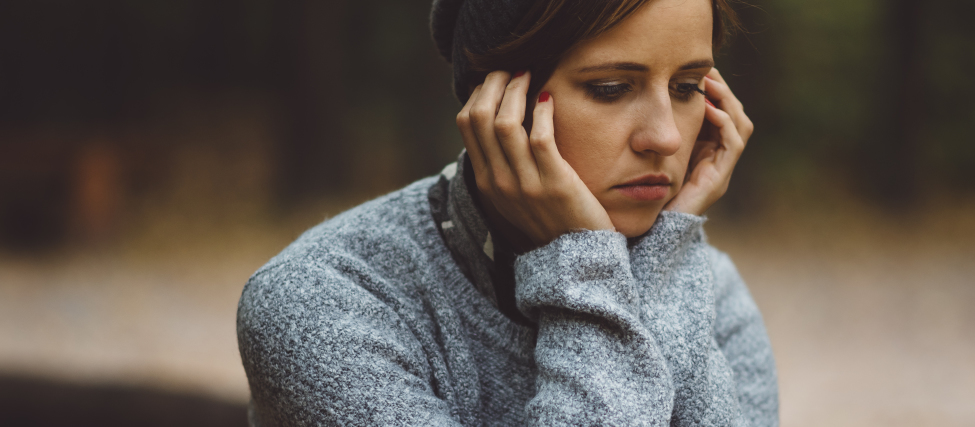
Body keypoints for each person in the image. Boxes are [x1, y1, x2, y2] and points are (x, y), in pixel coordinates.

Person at [236, 0, 778, 425]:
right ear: (496, 104)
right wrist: (585, 269)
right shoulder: (323, 303)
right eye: (610, 89)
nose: (664, 136)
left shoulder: (711, 292)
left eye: (686, 88)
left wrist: (662, 262)